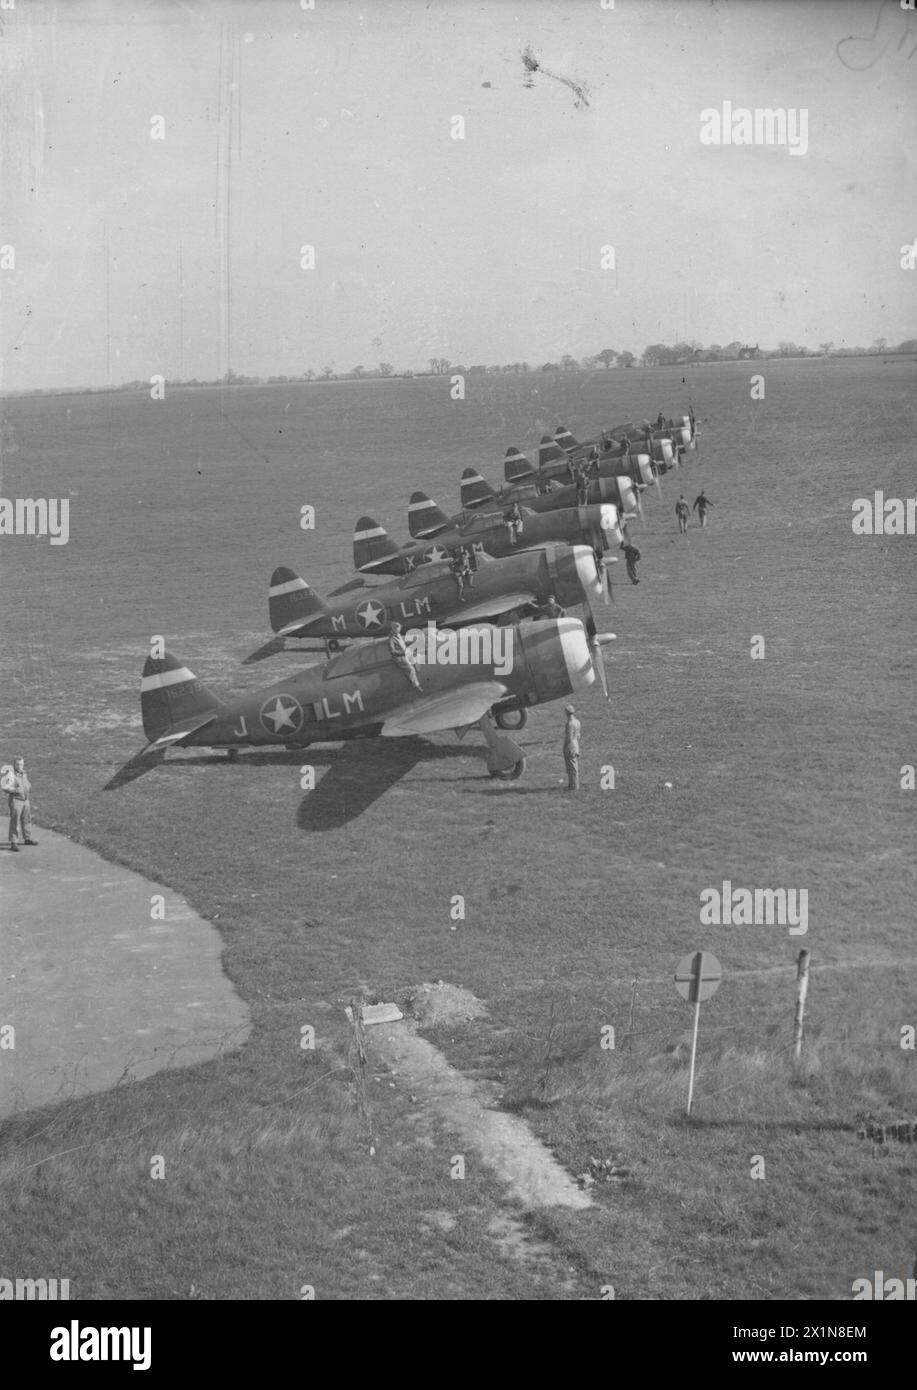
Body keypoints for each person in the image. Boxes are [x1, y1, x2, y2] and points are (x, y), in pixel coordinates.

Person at [3, 755, 37, 850]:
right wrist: (15, 790)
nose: (20, 766)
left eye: (21, 764)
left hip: (25, 800)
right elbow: (5, 787)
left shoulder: (24, 773)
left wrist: (29, 786)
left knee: (27, 819)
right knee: (15, 821)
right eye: (18, 764)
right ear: (14, 764)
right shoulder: (10, 774)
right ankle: (14, 843)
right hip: (16, 800)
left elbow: (25, 783)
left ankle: (27, 838)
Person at [387, 622, 422, 691]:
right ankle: (416, 686)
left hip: (405, 653)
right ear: (394, 629)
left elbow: (404, 644)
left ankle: (416, 668)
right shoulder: (391, 639)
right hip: (399, 657)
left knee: (417, 655)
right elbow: (393, 651)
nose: (399, 630)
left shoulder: (398, 635)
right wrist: (403, 653)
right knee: (410, 669)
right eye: (398, 628)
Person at [563, 705, 581, 791]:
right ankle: (572, 785)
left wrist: (564, 746)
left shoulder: (569, 724)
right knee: (573, 767)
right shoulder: (577, 722)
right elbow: (578, 735)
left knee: (572, 768)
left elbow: (568, 738)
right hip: (576, 744)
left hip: (570, 746)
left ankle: (574, 786)